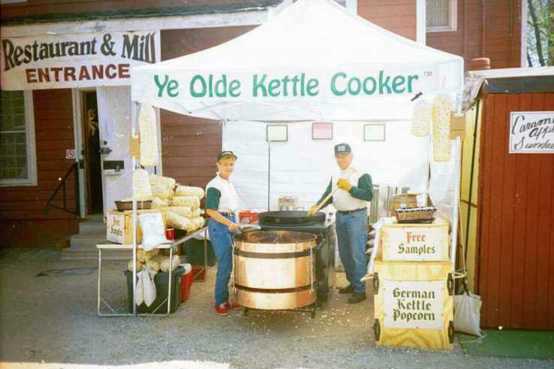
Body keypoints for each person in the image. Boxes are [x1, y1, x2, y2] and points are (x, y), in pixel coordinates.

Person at [309, 143, 373, 304]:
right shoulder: (336, 174)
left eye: (344, 156)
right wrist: (317, 206)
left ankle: (360, 290)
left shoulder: (361, 173)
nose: (341, 159)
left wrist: (351, 188)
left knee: (356, 254)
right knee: (344, 253)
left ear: (351, 156)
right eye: (338, 156)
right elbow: (328, 195)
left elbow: (368, 195)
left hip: (356, 217)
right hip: (341, 216)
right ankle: (353, 282)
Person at [205, 151, 242, 316]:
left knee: (232, 263)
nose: (229, 167)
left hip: (230, 221)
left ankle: (226, 299)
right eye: (225, 164)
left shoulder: (228, 183)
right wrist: (230, 224)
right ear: (218, 165)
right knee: (225, 265)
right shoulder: (214, 185)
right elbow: (211, 211)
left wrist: (235, 221)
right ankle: (220, 302)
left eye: (231, 164)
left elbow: (231, 206)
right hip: (219, 225)